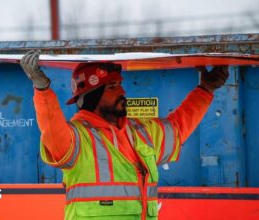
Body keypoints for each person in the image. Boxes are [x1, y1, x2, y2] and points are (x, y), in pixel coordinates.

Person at [20, 50, 229, 220]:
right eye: (112, 87)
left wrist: (205, 89)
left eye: (120, 84)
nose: (122, 92)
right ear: (93, 97)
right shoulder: (77, 139)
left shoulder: (141, 133)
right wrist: (43, 90)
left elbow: (178, 127)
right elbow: (52, 130)